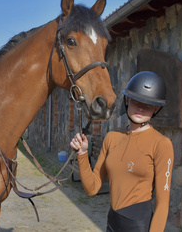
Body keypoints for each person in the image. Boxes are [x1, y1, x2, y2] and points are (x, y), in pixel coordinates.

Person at [70, 71, 174, 232]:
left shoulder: (161, 144)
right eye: (136, 101)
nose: (141, 107)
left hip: (138, 225)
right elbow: (92, 188)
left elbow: (162, 204)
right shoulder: (112, 138)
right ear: (127, 100)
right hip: (112, 223)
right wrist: (82, 154)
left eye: (148, 103)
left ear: (156, 108)